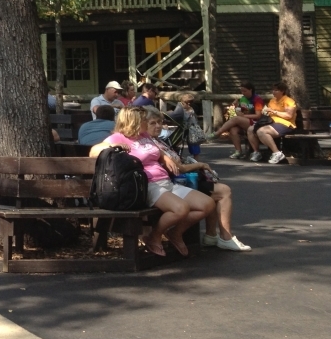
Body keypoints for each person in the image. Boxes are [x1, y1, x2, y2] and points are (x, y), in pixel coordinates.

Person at [90, 106, 215, 257]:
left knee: (207, 205)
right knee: (180, 209)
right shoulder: (119, 137)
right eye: (144, 119)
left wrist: (165, 157)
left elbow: (156, 151)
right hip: (147, 185)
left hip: (165, 181)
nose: (146, 121)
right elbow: (94, 151)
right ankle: (154, 237)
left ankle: (175, 233)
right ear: (134, 121)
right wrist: (112, 146)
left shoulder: (144, 135)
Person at [144, 108, 251, 252]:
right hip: (175, 180)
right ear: (144, 124)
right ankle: (224, 236)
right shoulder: (150, 144)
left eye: (159, 122)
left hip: (178, 179)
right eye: (153, 123)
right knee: (222, 191)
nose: (158, 126)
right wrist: (200, 164)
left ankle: (212, 235)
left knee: (219, 191)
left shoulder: (159, 141)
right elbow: (178, 168)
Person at [247, 81, 297, 164]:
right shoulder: (272, 101)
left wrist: (274, 112)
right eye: (273, 90)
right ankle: (257, 153)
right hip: (271, 122)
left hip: (285, 124)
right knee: (250, 129)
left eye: (276, 90)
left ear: (282, 91)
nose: (273, 92)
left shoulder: (289, 101)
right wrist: (266, 111)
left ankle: (277, 153)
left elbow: (289, 115)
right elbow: (269, 113)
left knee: (262, 131)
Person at [212, 81, 265, 159]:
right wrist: (235, 107)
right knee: (233, 130)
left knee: (236, 119)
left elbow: (258, 115)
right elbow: (238, 112)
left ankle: (218, 132)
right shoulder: (242, 99)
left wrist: (244, 116)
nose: (243, 93)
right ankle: (238, 151)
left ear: (250, 90)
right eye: (241, 91)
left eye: (245, 91)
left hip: (256, 122)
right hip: (244, 121)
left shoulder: (257, 99)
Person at [170, 92, 203, 157]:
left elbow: (187, 118)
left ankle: (196, 161)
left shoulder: (190, 110)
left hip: (192, 131)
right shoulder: (184, 109)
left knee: (194, 146)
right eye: (186, 103)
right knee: (186, 144)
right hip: (187, 130)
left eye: (190, 102)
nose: (188, 104)